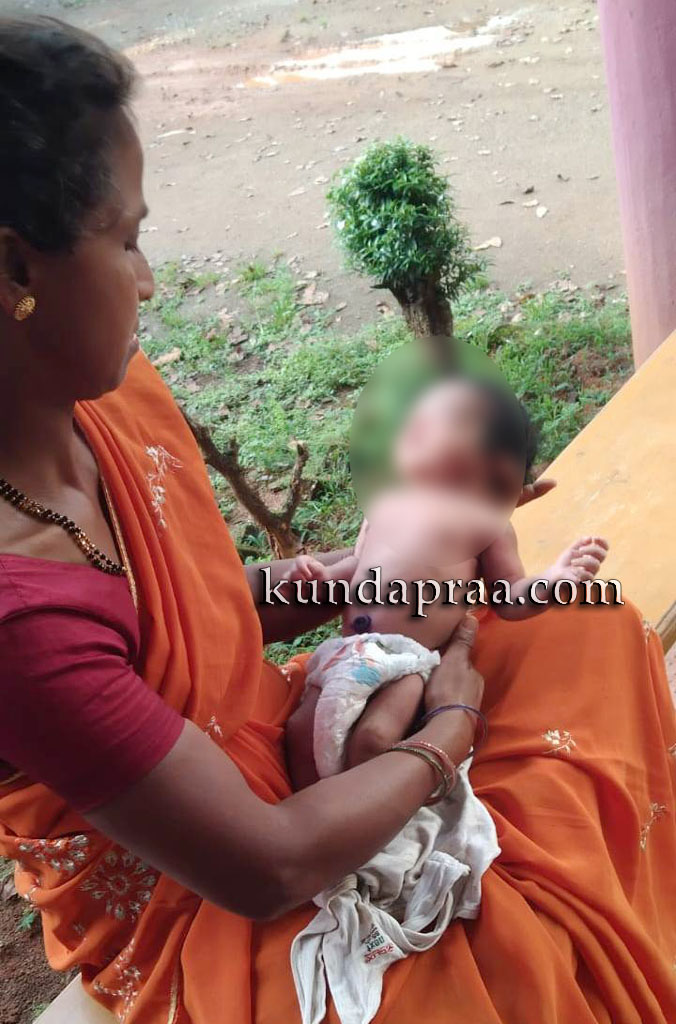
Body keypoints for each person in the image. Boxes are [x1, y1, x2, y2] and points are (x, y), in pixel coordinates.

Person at [0, 17, 674, 1024]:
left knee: (591, 628)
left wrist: (375, 571)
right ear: (16, 269)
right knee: (499, 976)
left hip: (293, 735)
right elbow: (265, 867)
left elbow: (192, 612)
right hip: (214, 894)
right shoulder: (17, 619)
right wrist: (450, 728)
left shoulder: (107, 397)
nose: (148, 279)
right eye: (126, 240)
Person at [282, 376, 608, 786]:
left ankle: (377, 806)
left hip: (410, 663)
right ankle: (314, 805)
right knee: (300, 730)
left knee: (376, 736)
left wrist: (553, 579)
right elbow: (357, 567)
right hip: (348, 652)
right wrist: (321, 577)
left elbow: (510, 596)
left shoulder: (483, 527)